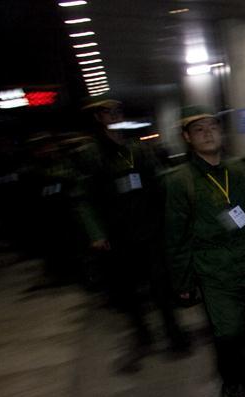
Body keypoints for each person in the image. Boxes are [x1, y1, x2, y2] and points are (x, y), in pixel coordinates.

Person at [164, 106, 245, 397]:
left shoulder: (242, 171)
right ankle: (231, 379)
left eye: (212, 126)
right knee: (228, 331)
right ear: (187, 137)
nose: (208, 133)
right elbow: (176, 236)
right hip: (215, 273)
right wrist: (183, 281)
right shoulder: (181, 181)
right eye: (198, 129)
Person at [73, 97, 188, 372]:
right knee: (129, 290)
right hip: (118, 234)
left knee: (161, 285)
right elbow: (83, 198)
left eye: (117, 111)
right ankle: (142, 336)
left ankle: (173, 332)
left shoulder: (137, 148)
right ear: (98, 118)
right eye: (107, 112)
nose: (114, 115)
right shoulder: (91, 154)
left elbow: (159, 180)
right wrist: (96, 233)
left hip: (149, 228)